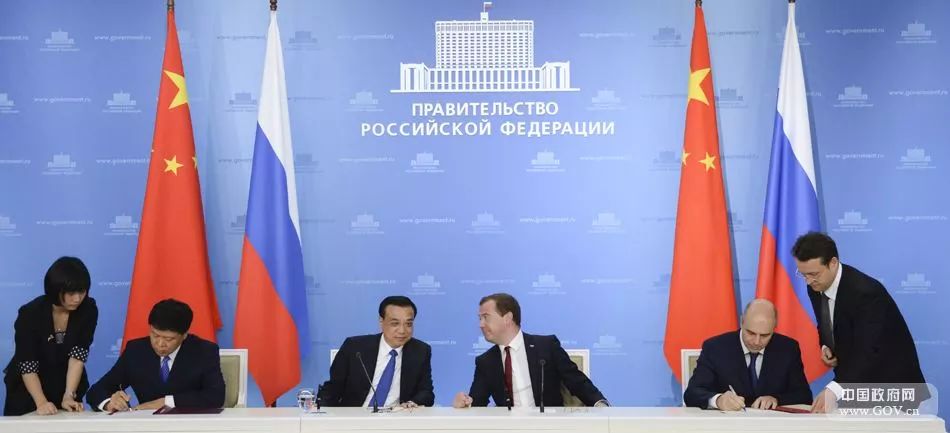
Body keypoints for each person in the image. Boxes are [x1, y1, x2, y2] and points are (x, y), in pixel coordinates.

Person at [792, 232, 928, 413]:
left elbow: (869, 349)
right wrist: (826, 345)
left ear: (833, 263)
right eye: (803, 275)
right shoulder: (816, 286)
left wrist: (835, 388)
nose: (809, 281)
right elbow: (825, 321)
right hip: (855, 384)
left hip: (891, 385)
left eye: (813, 274)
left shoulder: (866, 293)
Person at [453, 293, 608, 408]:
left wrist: (600, 405)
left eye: (486, 317)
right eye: (479, 318)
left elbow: (577, 381)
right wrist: (466, 402)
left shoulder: (546, 346)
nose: (481, 324)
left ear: (507, 318)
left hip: (550, 426)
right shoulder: (486, 361)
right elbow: (478, 402)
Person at [85, 299, 224, 412]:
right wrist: (109, 403)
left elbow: (215, 396)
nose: (160, 344)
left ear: (184, 335)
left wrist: (166, 402)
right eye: (155, 335)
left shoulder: (204, 351)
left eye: (169, 339)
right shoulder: (136, 350)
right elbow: (96, 391)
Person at [3, 257, 98, 416]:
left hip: (66, 383)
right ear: (56, 289)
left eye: (82, 292)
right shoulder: (30, 314)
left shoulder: (88, 309)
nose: (77, 299)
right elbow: (27, 364)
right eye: (71, 293)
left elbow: (77, 356)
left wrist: (68, 395)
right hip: (28, 388)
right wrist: (41, 402)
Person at [683, 299, 811, 410]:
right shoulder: (715, 348)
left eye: (765, 335)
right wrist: (718, 400)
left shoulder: (788, 349)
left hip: (771, 425)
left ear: (774, 328)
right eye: (751, 333)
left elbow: (804, 395)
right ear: (742, 322)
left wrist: (776, 399)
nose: (756, 342)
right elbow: (692, 393)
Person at [318, 296, 434, 408]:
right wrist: (319, 410)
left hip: (396, 416)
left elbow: (426, 392)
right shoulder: (354, 347)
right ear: (381, 321)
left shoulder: (420, 351)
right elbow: (332, 389)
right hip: (355, 416)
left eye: (408, 324)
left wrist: (412, 402)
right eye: (395, 323)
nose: (402, 331)